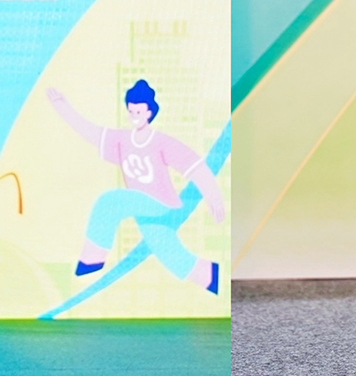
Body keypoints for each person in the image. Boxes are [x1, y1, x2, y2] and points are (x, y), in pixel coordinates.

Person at [46, 79, 224, 294]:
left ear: (149, 112)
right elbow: (90, 132)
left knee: (109, 202)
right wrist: (62, 106)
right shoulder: (122, 140)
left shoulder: (160, 141)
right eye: (131, 112)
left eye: (138, 112)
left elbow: (193, 165)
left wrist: (213, 195)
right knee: (171, 255)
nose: (134, 116)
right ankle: (212, 277)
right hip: (141, 210)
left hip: (159, 204)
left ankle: (90, 262)